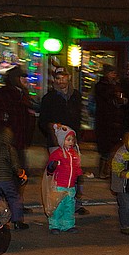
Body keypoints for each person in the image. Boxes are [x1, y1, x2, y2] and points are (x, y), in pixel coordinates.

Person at [38, 67, 87, 213]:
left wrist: (78, 135)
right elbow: (42, 121)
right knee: (59, 174)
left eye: (63, 78)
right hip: (56, 143)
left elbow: (79, 117)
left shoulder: (76, 96)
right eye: (58, 78)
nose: (61, 81)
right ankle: (56, 202)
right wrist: (52, 127)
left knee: (75, 173)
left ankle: (75, 203)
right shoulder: (49, 98)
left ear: (69, 78)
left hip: (73, 141)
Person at [0, 65, 36, 168]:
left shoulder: (23, 94)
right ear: (15, 79)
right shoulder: (2, 94)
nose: (25, 80)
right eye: (22, 77)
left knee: (19, 172)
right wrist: (3, 117)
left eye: (25, 77)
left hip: (19, 141)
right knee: (5, 172)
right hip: (5, 142)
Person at [45, 124, 82, 233]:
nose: (70, 142)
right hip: (59, 186)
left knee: (69, 207)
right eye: (68, 140)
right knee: (58, 207)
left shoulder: (74, 154)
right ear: (62, 140)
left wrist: (79, 178)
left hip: (70, 186)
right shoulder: (57, 154)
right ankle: (55, 225)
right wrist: (53, 166)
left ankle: (68, 225)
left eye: (72, 140)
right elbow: (49, 169)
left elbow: (77, 168)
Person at [92, 64, 124, 178]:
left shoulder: (115, 85)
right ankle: (103, 171)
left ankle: (108, 170)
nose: (114, 75)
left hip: (113, 120)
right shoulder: (102, 86)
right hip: (105, 120)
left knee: (112, 146)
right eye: (112, 73)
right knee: (105, 147)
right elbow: (106, 99)